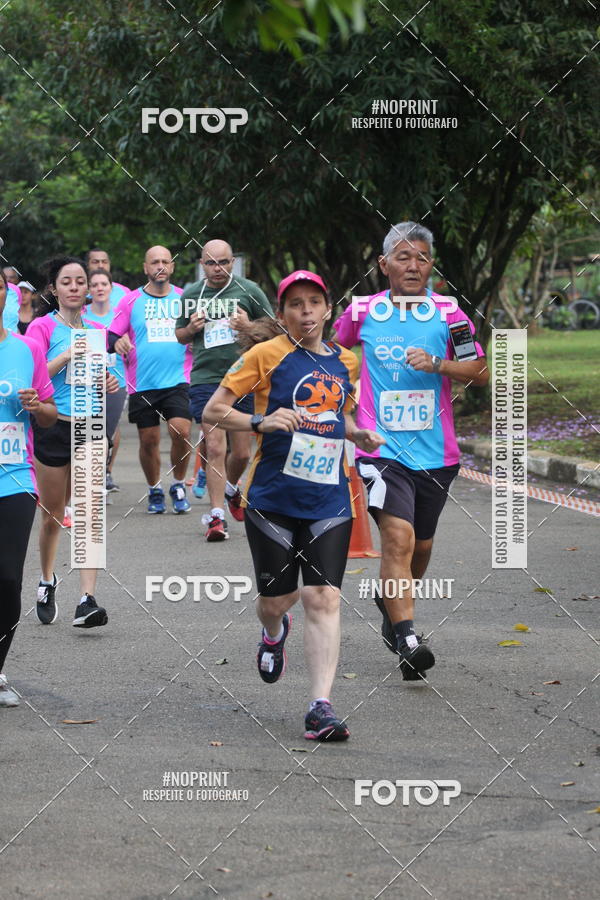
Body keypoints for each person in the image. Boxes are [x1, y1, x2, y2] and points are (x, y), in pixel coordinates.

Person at [204, 270, 383, 741]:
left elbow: (335, 416)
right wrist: (261, 421)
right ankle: (272, 632)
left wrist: (355, 431)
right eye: (295, 304)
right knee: (276, 600)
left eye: (314, 302)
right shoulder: (265, 355)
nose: (306, 311)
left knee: (322, 597)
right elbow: (213, 410)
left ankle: (320, 705)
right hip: (272, 499)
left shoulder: (345, 361)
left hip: (328, 498)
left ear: (327, 310)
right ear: (282, 315)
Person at [334, 222, 489, 679]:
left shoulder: (450, 314)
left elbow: (480, 372)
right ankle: (406, 637)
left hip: (436, 454)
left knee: (420, 547)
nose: (413, 265)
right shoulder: (362, 312)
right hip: (380, 451)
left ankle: (392, 604)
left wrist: (440, 364)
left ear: (431, 265)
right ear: (383, 265)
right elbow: (331, 353)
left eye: (421, 257)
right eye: (402, 257)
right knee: (397, 539)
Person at [27, 256, 119, 628]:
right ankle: (47, 579)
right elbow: (33, 377)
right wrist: (65, 356)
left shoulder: (98, 329)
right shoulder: (41, 328)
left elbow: (103, 377)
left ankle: (87, 599)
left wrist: (109, 383)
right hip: (53, 425)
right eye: (67, 282)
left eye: (81, 281)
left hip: (90, 426)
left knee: (89, 511)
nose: (76, 287)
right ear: (54, 288)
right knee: (52, 515)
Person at [175, 239, 274, 541]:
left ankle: (231, 488)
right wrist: (191, 329)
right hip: (205, 379)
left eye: (224, 262)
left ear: (233, 262)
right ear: (202, 265)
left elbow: (273, 330)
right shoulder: (192, 294)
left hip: (242, 380)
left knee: (242, 453)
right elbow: (179, 336)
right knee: (215, 448)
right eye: (211, 263)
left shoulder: (249, 290)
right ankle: (216, 516)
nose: (218, 269)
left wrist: (247, 326)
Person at [0, 269, 57, 706]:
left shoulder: (27, 349)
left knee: (6, 580)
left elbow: (50, 414)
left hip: (14, 476)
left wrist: (38, 406)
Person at [108, 245, 192, 514]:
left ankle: (178, 484)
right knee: (149, 440)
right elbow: (111, 335)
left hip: (179, 379)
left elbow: (197, 332)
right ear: (145, 268)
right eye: (155, 262)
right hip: (142, 382)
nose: (160, 266)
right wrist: (118, 341)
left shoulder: (184, 298)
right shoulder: (130, 301)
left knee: (182, 431)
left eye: (165, 262)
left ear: (172, 267)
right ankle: (155, 487)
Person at [84, 269, 127, 492]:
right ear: (89, 290)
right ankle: (92, 476)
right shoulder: (81, 315)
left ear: (111, 288)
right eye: (95, 285)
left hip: (116, 380)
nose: (100, 288)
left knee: (107, 431)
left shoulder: (120, 315)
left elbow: (131, 343)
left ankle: (105, 472)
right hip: (87, 381)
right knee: (89, 430)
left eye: (104, 284)